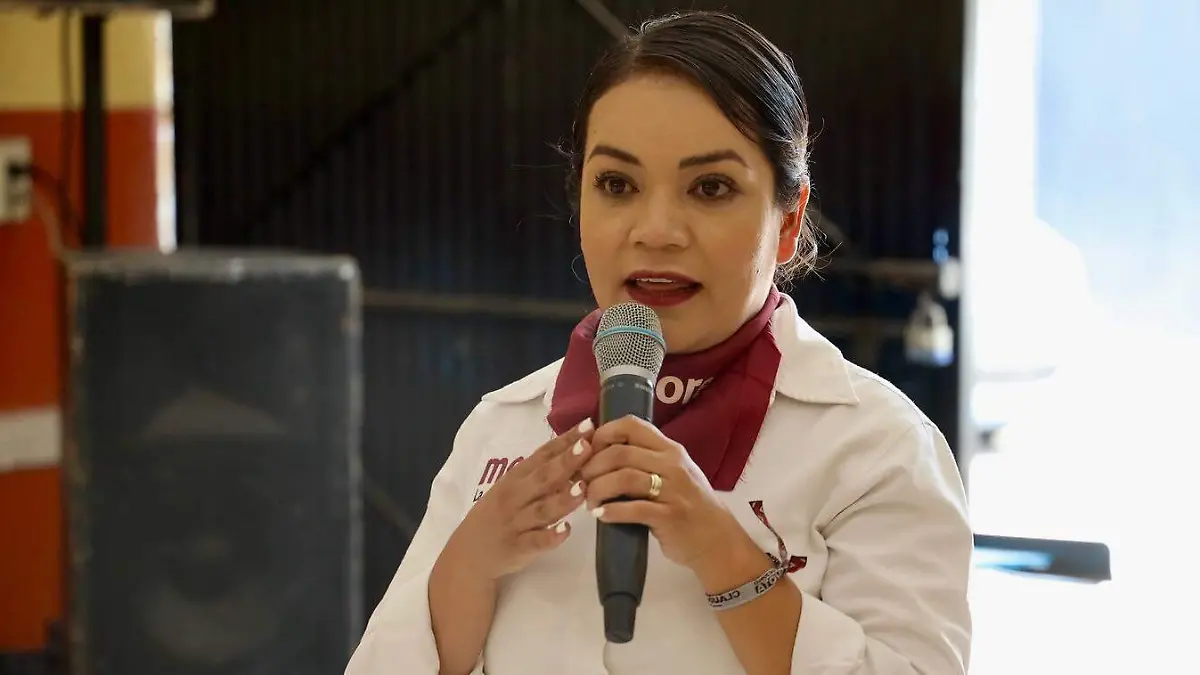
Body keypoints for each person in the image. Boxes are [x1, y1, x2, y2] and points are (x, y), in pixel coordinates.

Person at [345, 10, 971, 675]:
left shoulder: (878, 449)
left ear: (788, 223)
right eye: (617, 185)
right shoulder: (499, 428)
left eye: (711, 188)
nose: (657, 230)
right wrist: (468, 566)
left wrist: (721, 551)